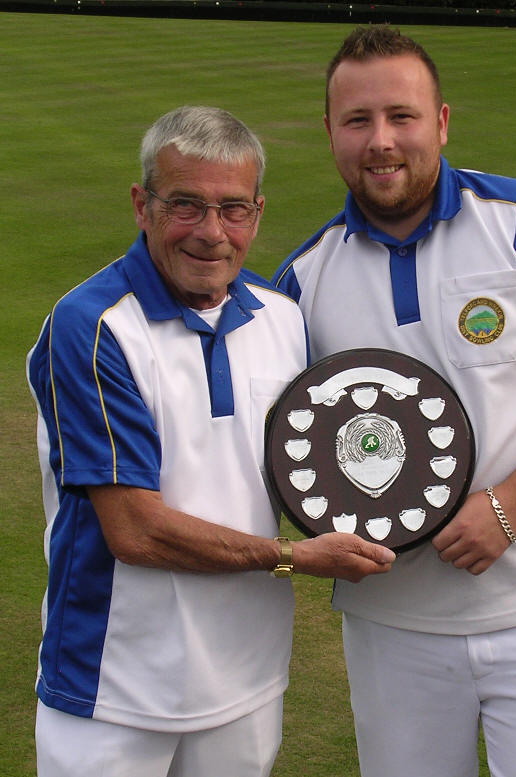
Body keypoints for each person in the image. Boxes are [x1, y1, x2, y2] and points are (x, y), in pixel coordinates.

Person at [272, 26, 516, 777]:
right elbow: (281, 448)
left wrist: (510, 505)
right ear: (328, 132)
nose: (381, 141)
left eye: (402, 116)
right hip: (390, 629)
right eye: (357, 120)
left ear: (442, 121)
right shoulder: (300, 281)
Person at [26, 105, 395, 777]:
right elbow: (135, 531)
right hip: (112, 692)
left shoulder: (283, 319)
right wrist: (293, 557)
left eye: (233, 209)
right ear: (142, 205)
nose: (211, 232)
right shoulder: (92, 326)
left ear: (257, 213)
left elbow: (325, 459)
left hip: (247, 684)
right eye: (185, 205)